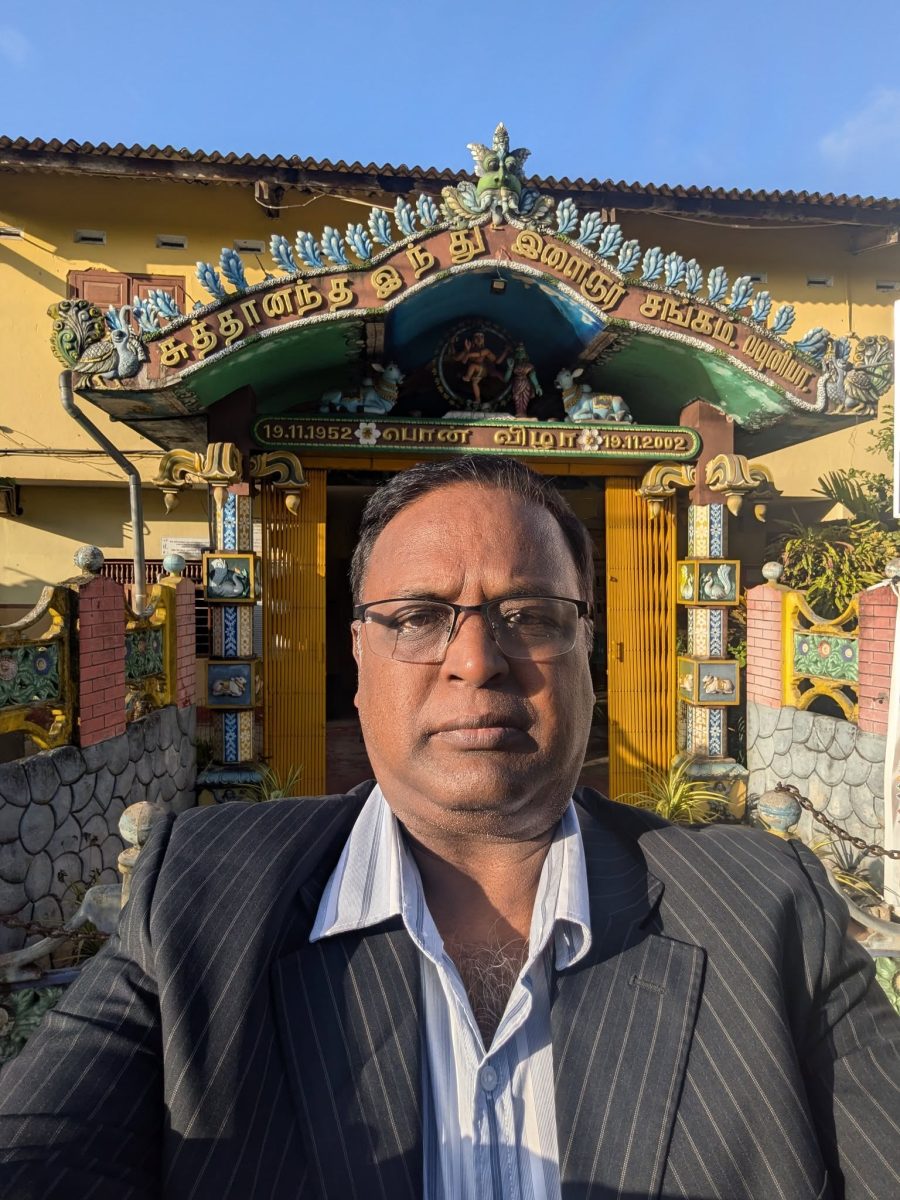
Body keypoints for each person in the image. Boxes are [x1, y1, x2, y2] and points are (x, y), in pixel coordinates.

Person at [1, 455, 899, 1200]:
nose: (476, 661)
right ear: (359, 659)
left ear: (587, 655)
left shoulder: (766, 912)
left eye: (530, 617)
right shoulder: (201, 903)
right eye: (420, 617)